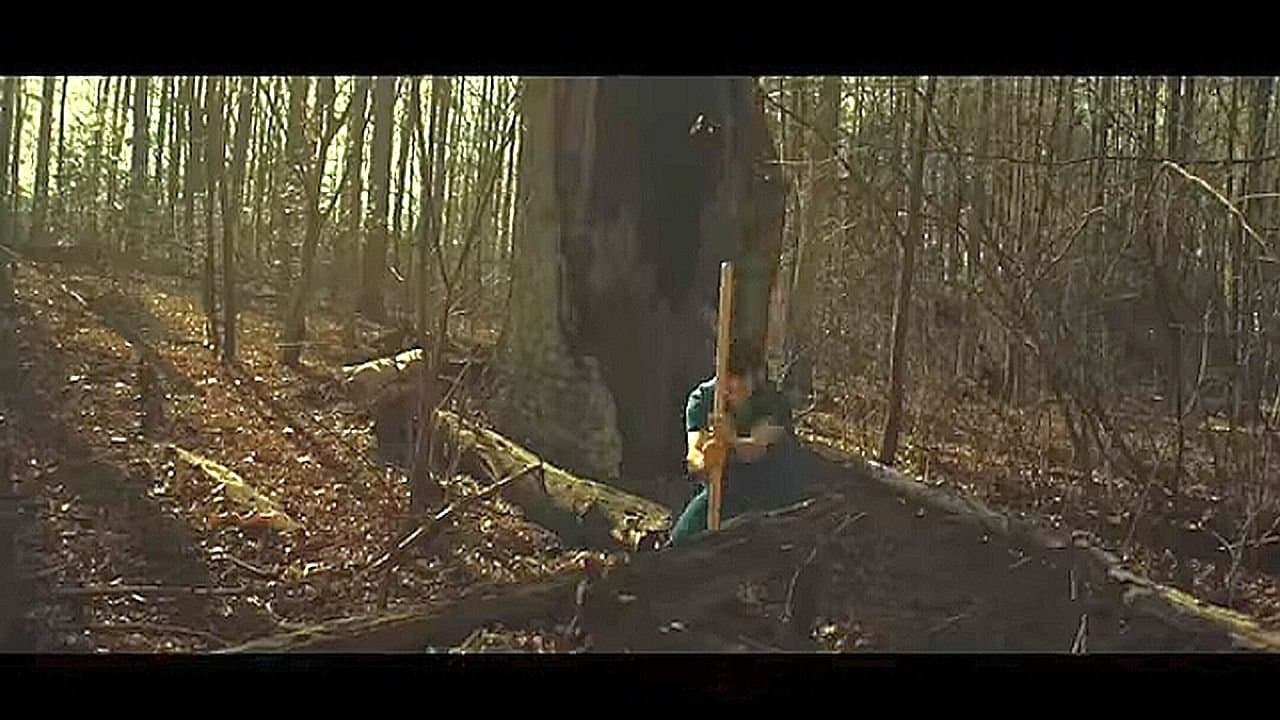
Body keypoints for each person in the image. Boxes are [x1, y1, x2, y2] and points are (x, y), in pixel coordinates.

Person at [668, 340, 809, 546]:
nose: (732, 385)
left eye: (740, 377)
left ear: (757, 376)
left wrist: (731, 440)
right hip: (725, 490)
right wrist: (706, 459)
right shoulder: (704, 399)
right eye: (727, 376)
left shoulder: (772, 401)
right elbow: (694, 454)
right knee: (681, 543)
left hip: (773, 490)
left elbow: (756, 448)